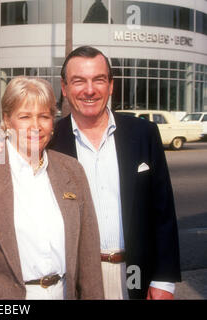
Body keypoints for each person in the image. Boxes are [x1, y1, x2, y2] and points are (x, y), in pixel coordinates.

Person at [0, 76, 103, 300]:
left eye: (44, 117)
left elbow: (87, 252)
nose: (36, 126)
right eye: (25, 116)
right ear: (7, 120)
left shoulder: (72, 171)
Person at [50, 46, 181, 299]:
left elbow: (162, 212)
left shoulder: (144, 134)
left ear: (111, 85)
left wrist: (164, 280)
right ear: (64, 88)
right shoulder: (51, 141)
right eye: (79, 81)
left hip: (134, 274)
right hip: (75, 278)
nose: (89, 90)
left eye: (98, 80)